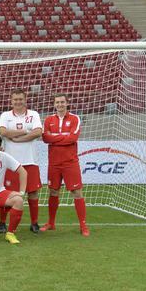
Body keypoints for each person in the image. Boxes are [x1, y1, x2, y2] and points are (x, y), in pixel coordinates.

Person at [41, 93, 90, 236]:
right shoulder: (49, 119)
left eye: (62, 102)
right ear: (54, 104)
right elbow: (45, 137)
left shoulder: (75, 118)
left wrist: (55, 137)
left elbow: (73, 138)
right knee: (53, 191)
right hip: (54, 163)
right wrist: (64, 136)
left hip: (70, 163)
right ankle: (51, 223)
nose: (60, 104)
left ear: (67, 103)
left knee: (77, 192)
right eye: (57, 102)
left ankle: (83, 225)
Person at [0, 88, 43, 234]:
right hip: (10, 162)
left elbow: (38, 132)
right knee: (8, 193)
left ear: (25, 100)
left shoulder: (33, 114)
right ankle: (2, 223)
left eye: (20, 99)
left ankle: (34, 223)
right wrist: (25, 131)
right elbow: (3, 132)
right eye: (15, 99)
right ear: (11, 101)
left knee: (33, 192)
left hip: (30, 161)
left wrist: (17, 138)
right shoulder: (5, 115)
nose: (18, 102)